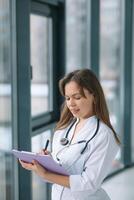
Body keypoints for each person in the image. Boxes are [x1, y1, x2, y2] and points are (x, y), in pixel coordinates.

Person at [20, 69, 120, 200]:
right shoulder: (64, 129)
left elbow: (89, 184)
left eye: (77, 97)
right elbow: (64, 167)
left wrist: (46, 174)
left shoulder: (103, 135)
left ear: (94, 96)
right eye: (67, 98)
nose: (71, 104)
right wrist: (47, 161)